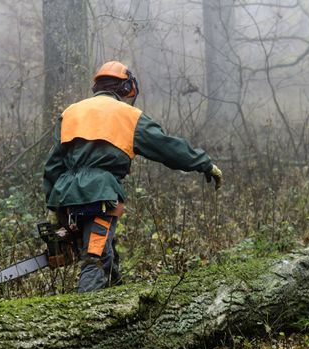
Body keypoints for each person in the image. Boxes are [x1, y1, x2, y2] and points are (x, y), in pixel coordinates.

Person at [43, 61, 222, 293]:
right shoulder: (128, 115)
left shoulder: (71, 112)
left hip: (67, 194)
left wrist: (52, 204)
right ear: (125, 87)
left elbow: (54, 163)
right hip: (100, 194)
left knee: (105, 249)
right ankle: (83, 316)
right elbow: (167, 147)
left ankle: (117, 297)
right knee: (96, 258)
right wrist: (204, 163)